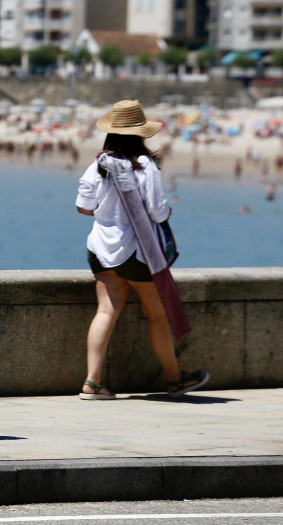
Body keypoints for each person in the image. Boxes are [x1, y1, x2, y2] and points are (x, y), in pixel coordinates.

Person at [75, 100, 209, 401]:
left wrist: (108, 211)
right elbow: (159, 213)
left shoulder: (98, 164)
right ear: (141, 134)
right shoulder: (145, 166)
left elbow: (84, 207)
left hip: (100, 249)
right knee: (156, 316)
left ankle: (92, 383)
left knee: (106, 310)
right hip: (138, 254)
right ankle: (175, 381)